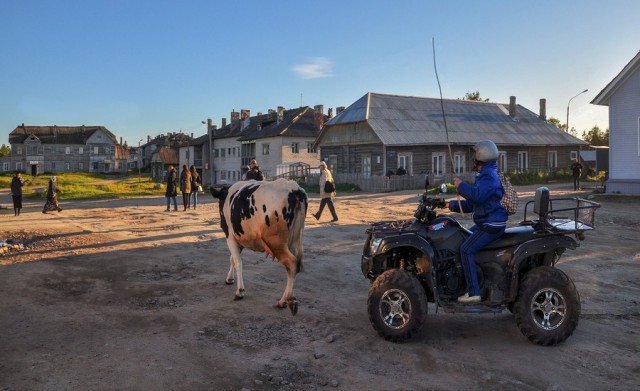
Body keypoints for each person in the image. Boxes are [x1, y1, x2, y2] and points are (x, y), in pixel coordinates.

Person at [447, 140, 508, 304]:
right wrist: (447, 204)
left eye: (475, 155)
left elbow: (477, 196)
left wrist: (461, 186)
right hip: (486, 222)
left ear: (483, 156)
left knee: (465, 249)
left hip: (491, 224)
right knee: (462, 236)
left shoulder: (489, 176)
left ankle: (473, 292)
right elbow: (473, 204)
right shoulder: (485, 175)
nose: (473, 159)